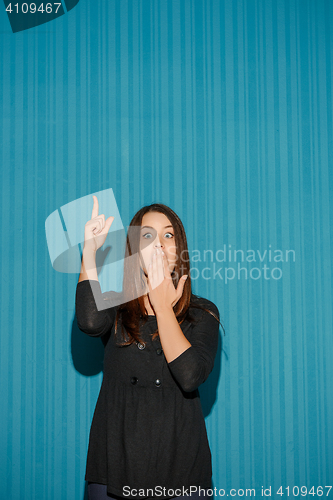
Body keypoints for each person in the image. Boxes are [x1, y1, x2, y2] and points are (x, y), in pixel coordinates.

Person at [75, 196, 224, 500]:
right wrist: (90, 250)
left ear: (178, 249)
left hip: (181, 466)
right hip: (115, 461)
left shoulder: (203, 312)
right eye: (147, 235)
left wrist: (161, 302)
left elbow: (190, 374)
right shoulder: (116, 305)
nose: (158, 243)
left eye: (168, 235)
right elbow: (89, 322)